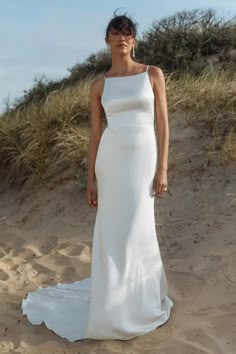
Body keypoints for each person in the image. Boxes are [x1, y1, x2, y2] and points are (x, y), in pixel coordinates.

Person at [21, 11, 174, 342]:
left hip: (143, 159)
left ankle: (140, 299)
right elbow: (94, 135)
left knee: (138, 224)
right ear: (107, 41)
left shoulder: (152, 74)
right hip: (111, 161)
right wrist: (90, 178)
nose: (122, 38)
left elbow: (162, 124)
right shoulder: (99, 85)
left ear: (134, 40)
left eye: (127, 33)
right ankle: (115, 303)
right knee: (114, 228)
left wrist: (163, 167)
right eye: (116, 33)